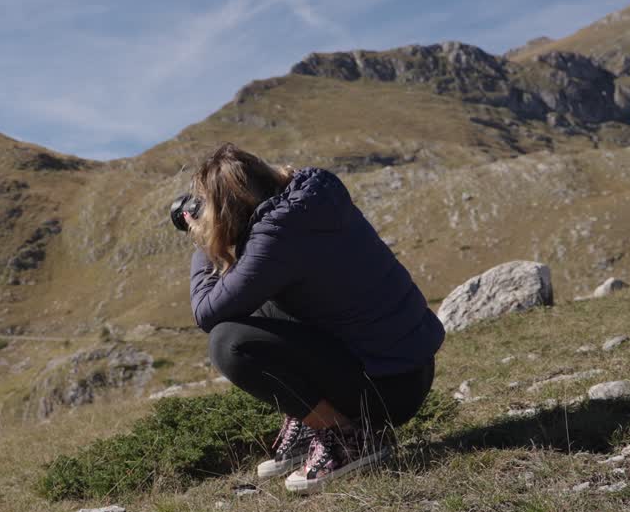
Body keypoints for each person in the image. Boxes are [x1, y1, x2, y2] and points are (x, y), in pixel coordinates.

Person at [183, 143, 444, 494]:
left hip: (388, 390)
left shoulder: (277, 235)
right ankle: (314, 426)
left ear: (229, 210)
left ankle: (347, 437)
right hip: (406, 369)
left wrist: (203, 243)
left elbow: (207, 313)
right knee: (255, 310)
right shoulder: (310, 198)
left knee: (229, 342)